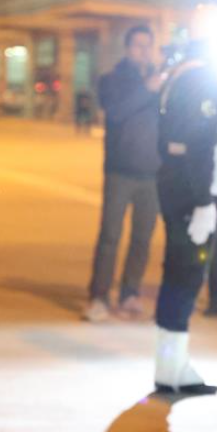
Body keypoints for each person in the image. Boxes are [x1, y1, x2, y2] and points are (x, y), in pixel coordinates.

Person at [152, 4, 217, 394]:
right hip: (191, 189)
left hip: (175, 183)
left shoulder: (181, 73)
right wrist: (203, 200)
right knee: (185, 276)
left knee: (178, 272)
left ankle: (171, 364)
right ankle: (171, 369)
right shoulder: (201, 78)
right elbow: (199, 144)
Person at [83, 25, 163, 322]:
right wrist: (147, 90)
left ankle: (130, 292)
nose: (144, 51)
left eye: (148, 45)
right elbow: (116, 112)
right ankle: (99, 296)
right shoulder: (112, 79)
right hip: (120, 171)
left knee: (142, 237)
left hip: (153, 173)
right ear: (128, 48)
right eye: (138, 45)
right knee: (110, 236)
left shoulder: (160, 80)